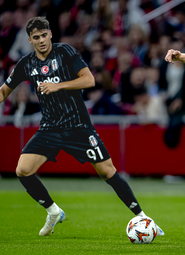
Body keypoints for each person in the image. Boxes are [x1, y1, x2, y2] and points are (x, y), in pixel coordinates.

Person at [0, 16, 164, 237]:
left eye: (44, 35)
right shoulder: (26, 64)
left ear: (50, 34)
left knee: (108, 172)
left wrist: (58, 86)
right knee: (23, 170)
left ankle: (142, 216)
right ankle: (53, 211)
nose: (41, 40)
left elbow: (88, 80)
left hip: (78, 126)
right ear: (30, 40)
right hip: (49, 128)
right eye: (36, 37)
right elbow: (4, 91)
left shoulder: (64, 52)